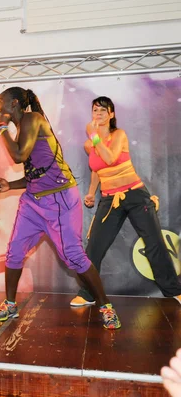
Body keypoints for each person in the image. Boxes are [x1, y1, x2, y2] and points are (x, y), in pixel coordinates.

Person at [0, 87, 121, 329]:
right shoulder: (23, 127)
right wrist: (10, 185)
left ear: (15, 104)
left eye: (1, 102)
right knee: (14, 251)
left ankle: (105, 305)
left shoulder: (33, 119)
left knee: (72, 256)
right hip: (33, 201)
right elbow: (35, 174)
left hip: (59, 200)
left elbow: (19, 155)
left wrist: (2, 127)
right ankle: (10, 304)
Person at [71, 96, 181, 306]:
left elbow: (110, 158)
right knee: (94, 246)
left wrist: (94, 135)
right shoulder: (89, 144)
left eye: (104, 110)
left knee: (154, 243)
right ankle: (88, 293)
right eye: (95, 110)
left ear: (111, 114)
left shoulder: (118, 135)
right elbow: (97, 168)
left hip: (135, 194)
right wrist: (92, 192)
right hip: (109, 199)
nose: (99, 114)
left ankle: (174, 290)